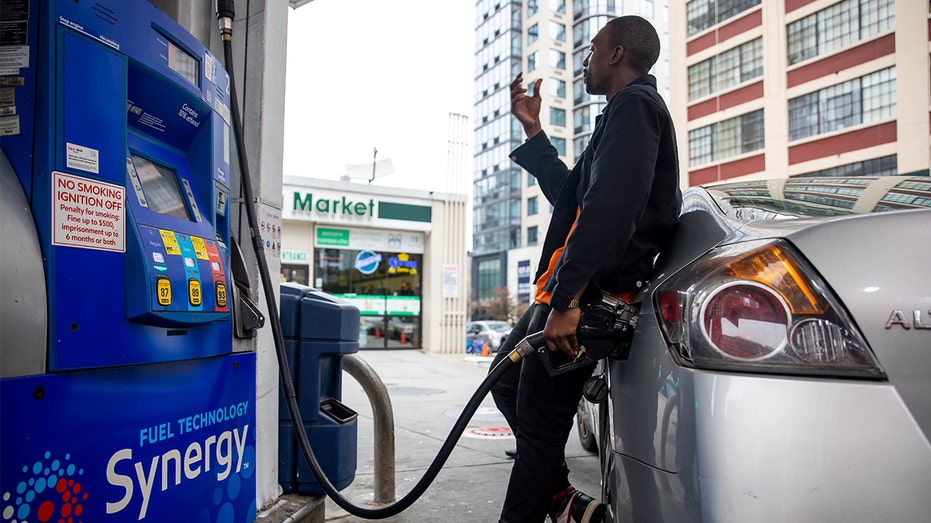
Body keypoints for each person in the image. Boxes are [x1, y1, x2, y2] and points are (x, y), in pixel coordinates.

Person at [489, 15, 681, 523]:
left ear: (616, 54)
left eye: (592, 49)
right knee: (505, 384)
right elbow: (574, 202)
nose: (585, 60)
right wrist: (533, 129)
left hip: (591, 299)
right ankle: (559, 498)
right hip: (569, 292)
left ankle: (540, 505)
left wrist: (568, 301)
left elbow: (612, 213)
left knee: (541, 425)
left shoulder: (636, 107)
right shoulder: (621, 112)